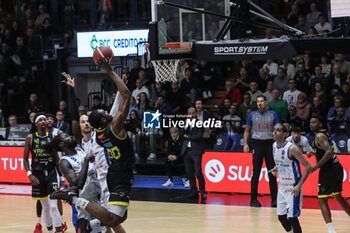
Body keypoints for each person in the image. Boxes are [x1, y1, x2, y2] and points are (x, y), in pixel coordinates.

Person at [50, 59, 133, 231]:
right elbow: (116, 109)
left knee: (115, 219)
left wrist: (73, 90)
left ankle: (90, 225)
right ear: (79, 127)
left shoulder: (98, 137)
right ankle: (86, 220)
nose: (85, 124)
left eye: (87, 121)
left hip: (106, 178)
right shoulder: (83, 145)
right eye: (82, 122)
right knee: (113, 220)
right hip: (102, 183)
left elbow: (115, 108)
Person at [46, 133, 107, 233]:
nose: (70, 136)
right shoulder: (64, 162)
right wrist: (87, 161)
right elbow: (78, 184)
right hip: (85, 199)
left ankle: (88, 226)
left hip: (98, 193)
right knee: (105, 221)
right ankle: (86, 226)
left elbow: (78, 131)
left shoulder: (79, 149)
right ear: (62, 144)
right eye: (67, 136)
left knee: (105, 223)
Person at [307, 116, 350, 233]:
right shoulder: (322, 134)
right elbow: (324, 148)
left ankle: (331, 231)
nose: (311, 124)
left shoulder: (319, 136)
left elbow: (329, 151)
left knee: (322, 200)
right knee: (338, 196)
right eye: (310, 122)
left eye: (314, 122)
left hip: (328, 170)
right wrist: (313, 152)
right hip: (336, 167)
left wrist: (316, 166)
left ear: (320, 124)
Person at [23, 113, 63, 233]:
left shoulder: (52, 137)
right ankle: (50, 231)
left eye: (45, 119)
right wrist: (29, 174)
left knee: (54, 206)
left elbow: (56, 158)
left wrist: (61, 176)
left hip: (51, 173)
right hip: (37, 175)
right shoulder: (30, 138)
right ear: (36, 124)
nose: (44, 121)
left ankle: (59, 231)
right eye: (41, 120)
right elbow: (24, 159)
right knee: (45, 207)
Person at [269, 124, 311, 233]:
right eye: (274, 130)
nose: (274, 132)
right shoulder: (274, 146)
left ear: (284, 134)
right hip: (282, 187)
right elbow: (281, 163)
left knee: (292, 218)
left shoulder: (292, 148)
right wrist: (276, 169)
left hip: (293, 188)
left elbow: (308, 166)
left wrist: (299, 185)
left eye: (277, 130)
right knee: (281, 217)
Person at [243, 95, 280, 207]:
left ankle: (274, 199)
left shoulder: (273, 114)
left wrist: (277, 135)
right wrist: (245, 144)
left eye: (261, 101)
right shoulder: (252, 115)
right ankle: (253, 199)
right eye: (258, 101)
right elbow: (247, 130)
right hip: (257, 144)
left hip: (270, 144)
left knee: (272, 172)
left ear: (266, 102)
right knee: (256, 172)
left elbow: (278, 127)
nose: (259, 103)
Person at [181, 107, 206, 200]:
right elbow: (180, 134)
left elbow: (198, 136)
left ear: (196, 114)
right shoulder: (185, 123)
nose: (191, 115)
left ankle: (203, 192)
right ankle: (193, 191)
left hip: (196, 150)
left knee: (198, 172)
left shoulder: (199, 123)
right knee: (189, 172)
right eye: (189, 113)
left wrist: (187, 136)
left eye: (192, 113)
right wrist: (185, 127)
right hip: (186, 150)